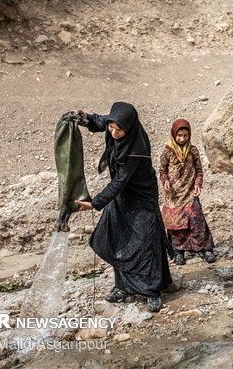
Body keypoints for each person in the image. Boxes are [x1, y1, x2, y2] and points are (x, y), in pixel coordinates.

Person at [73, 102, 172, 312]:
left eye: (120, 129)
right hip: (121, 195)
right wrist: (85, 119)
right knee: (118, 237)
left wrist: (95, 203)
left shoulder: (136, 147)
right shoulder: (113, 126)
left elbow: (119, 181)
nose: (114, 132)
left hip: (141, 196)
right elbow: (102, 121)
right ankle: (123, 287)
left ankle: (151, 291)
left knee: (145, 241)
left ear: (129, 127)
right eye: (112, 128)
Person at [159, 119, 215, 265]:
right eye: (179, 135)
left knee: (197, 220)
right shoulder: (167, 151)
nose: (182, 139)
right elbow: (162, 170)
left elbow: (199, 171)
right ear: (173, 134)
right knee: (177, 225)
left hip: (190, 193)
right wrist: (164, 181)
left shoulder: (193, 150)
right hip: (174, 195)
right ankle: (178, 252)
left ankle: (205, 249)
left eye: (185, 135)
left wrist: (198, 184)